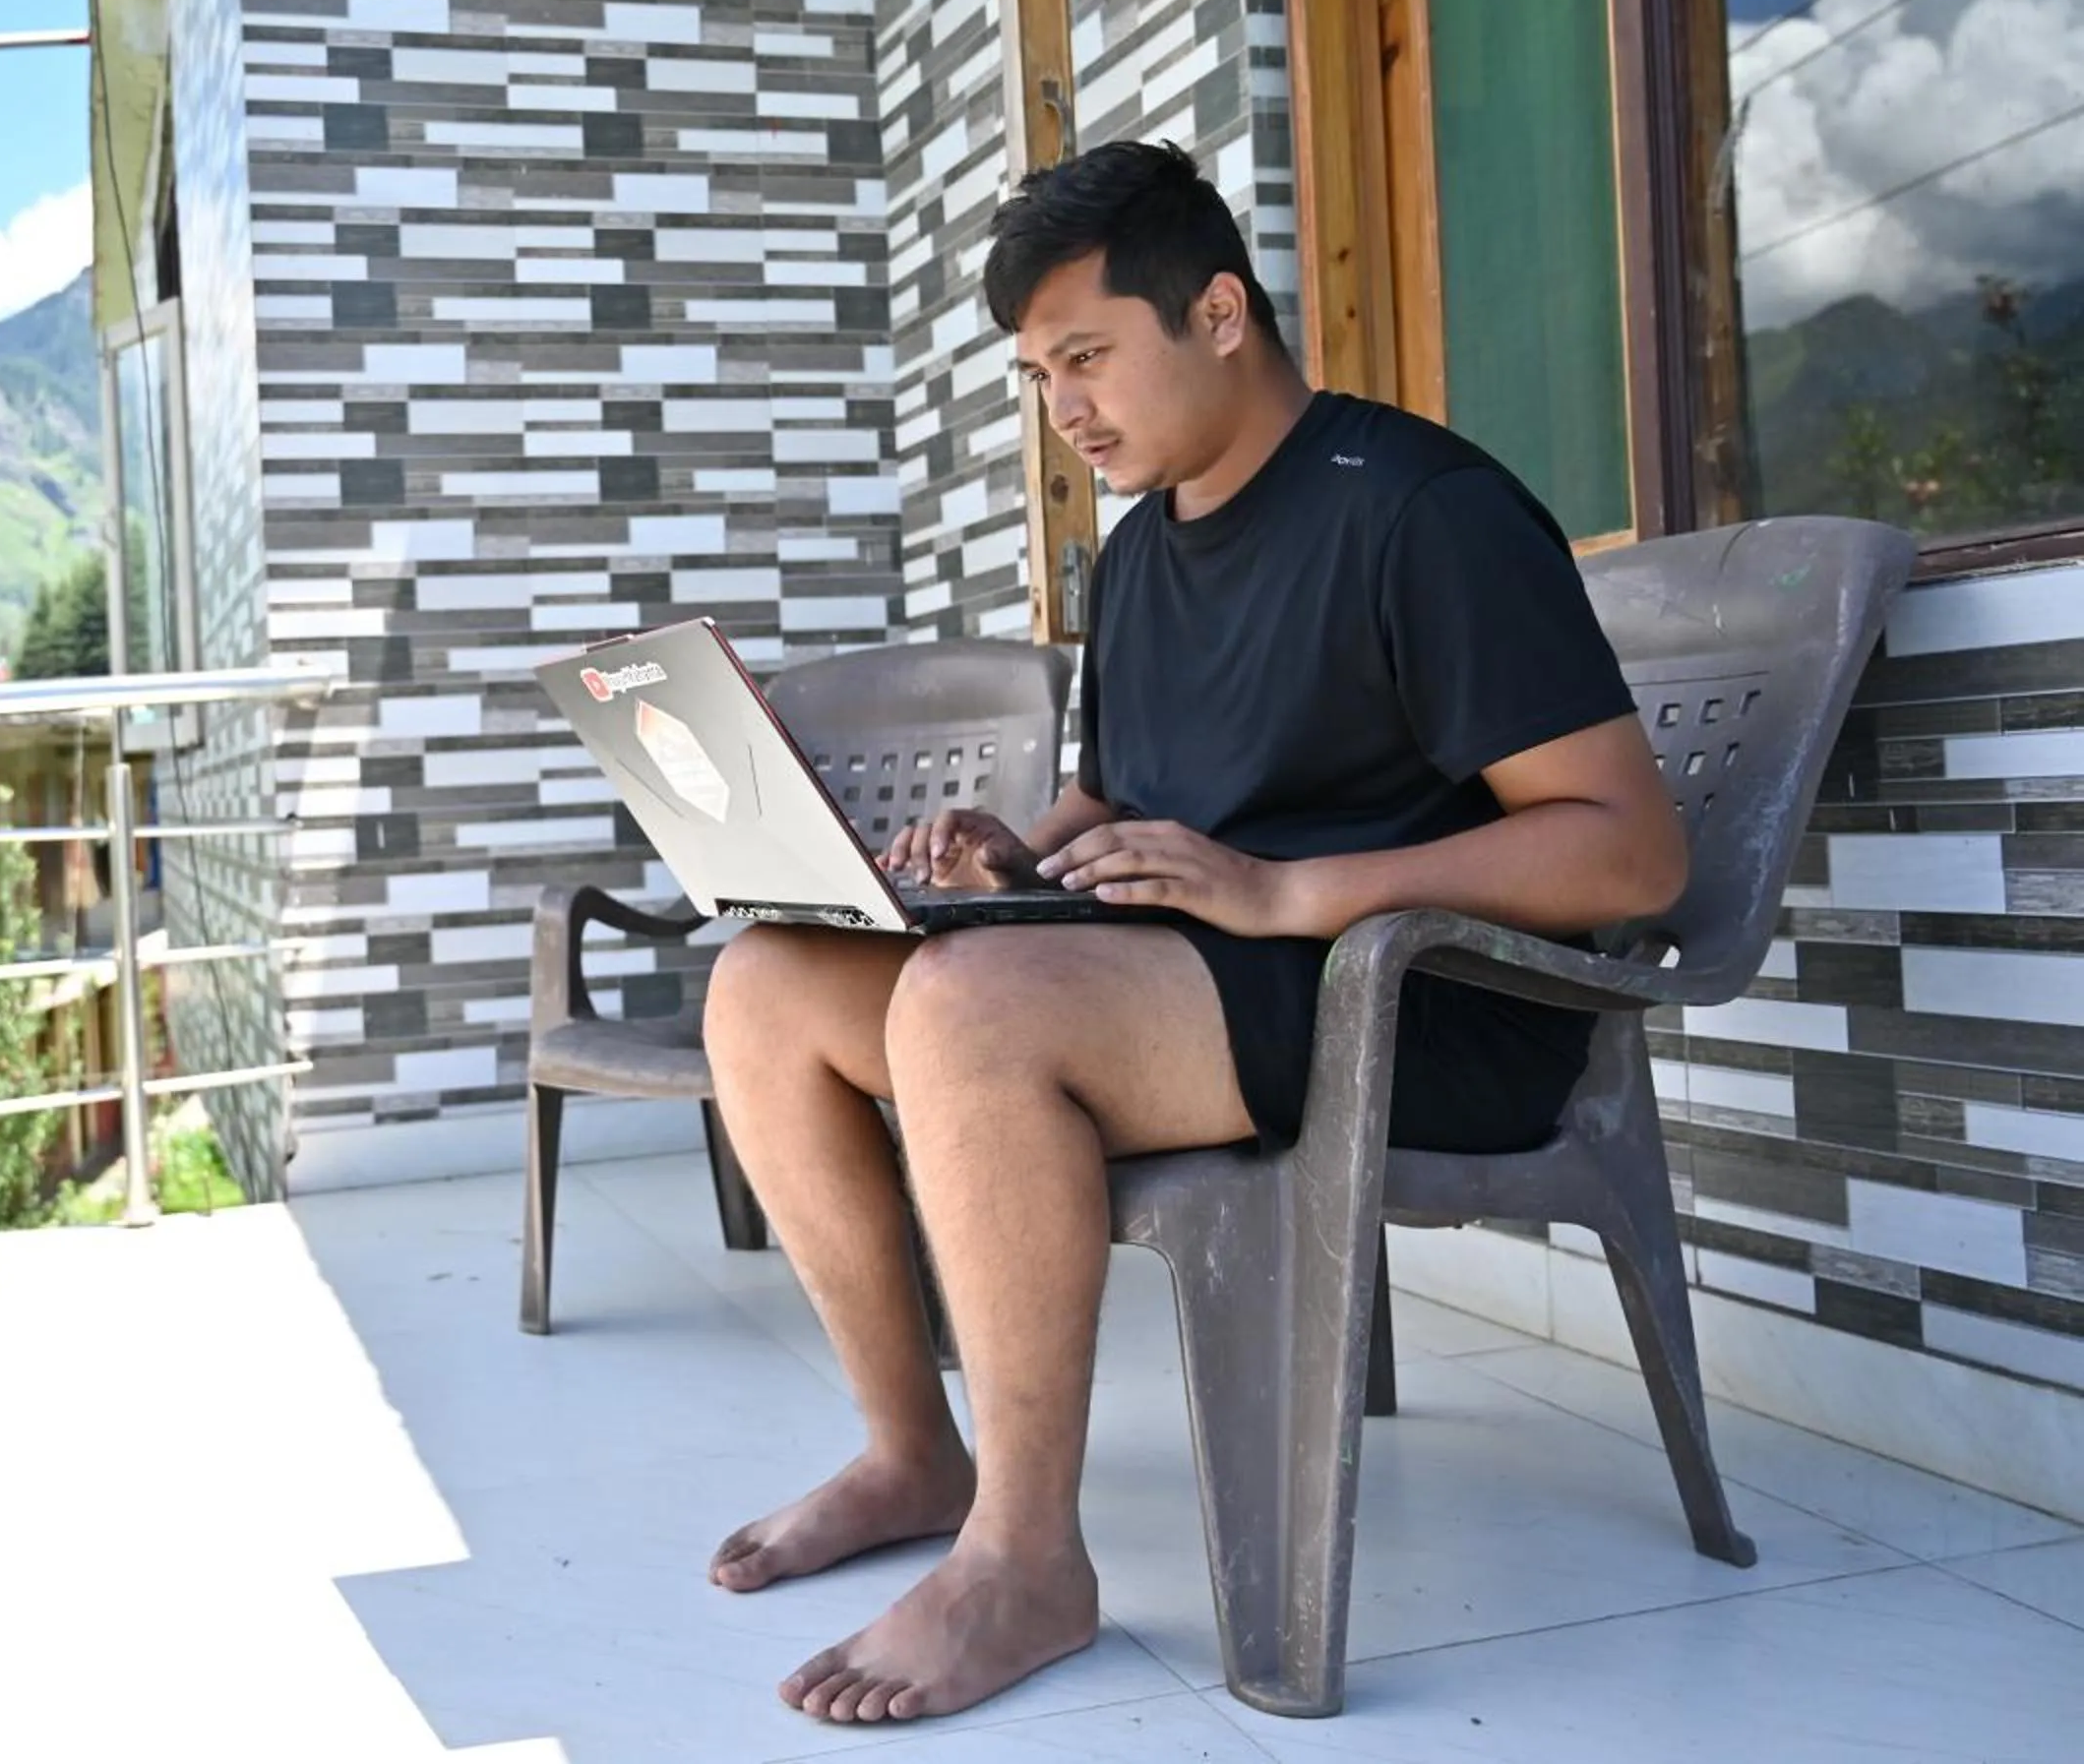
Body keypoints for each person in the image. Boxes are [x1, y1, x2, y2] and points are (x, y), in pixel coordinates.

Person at [701, 140, 1687, 1727]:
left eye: (1089, 357)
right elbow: (1124, 786)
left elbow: (1630, 851)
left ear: (1220, 313)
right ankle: (911, 1453)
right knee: (767, 986)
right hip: (1207, 972)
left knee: (971, 1008)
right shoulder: (1148, 549)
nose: (1065, 409)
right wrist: (1018, 854)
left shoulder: (1422, 512)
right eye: (1040, 375)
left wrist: (1289, 892)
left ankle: (1027, 1561)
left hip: (1416, 998)